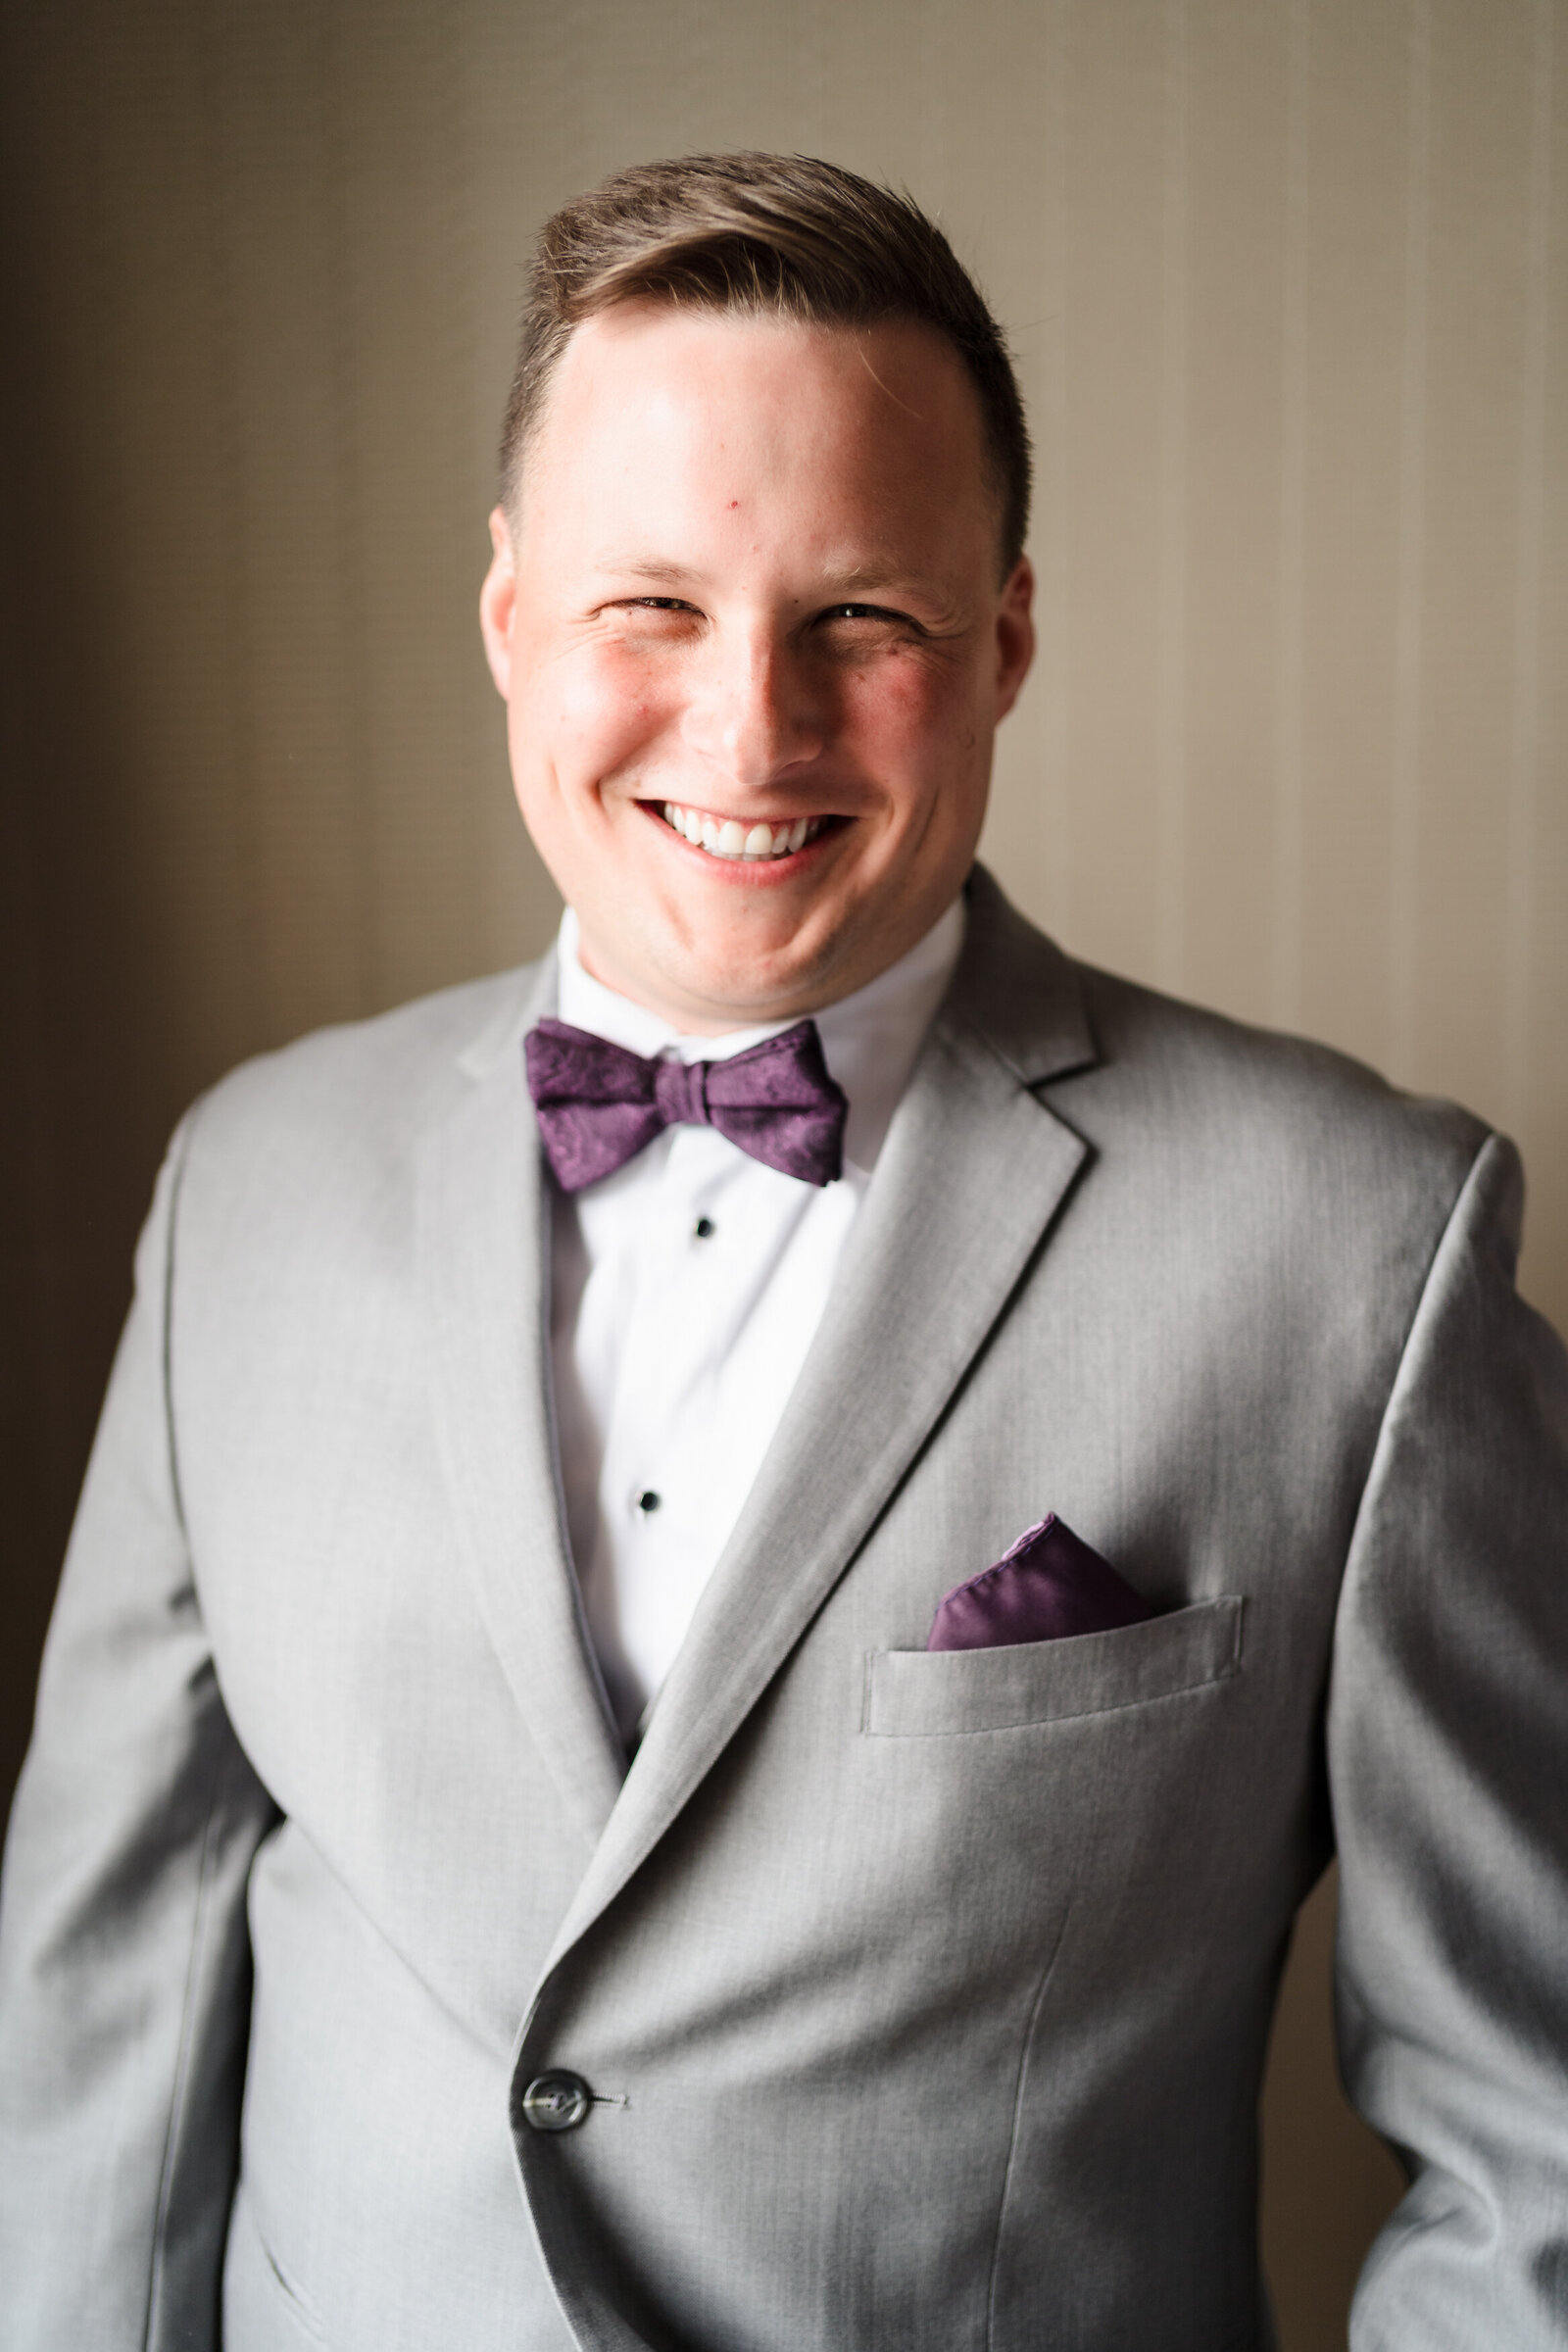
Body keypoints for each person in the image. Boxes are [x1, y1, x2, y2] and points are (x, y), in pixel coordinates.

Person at [1, 150, 1565, 2352]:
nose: (750, 730)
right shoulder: (243, 1181)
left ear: (1003, 635)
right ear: (506, 618)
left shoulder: (1355, 1251)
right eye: (648, 605)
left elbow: (1538, 2147)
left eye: (867, 620)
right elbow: (101, 2010)